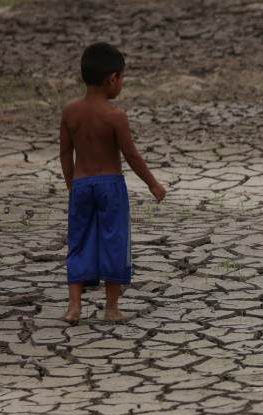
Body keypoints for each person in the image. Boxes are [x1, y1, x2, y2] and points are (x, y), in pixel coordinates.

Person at [59, 42, 165, 323]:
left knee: (78, 242)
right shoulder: (116, 116)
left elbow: (64, 154)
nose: (122, 84)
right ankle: (111, 309)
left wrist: (72, 186)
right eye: (123, 78)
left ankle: (73, 307)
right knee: (113, 242)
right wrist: (153, 183)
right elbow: (131, 155)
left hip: (81, 184)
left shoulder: (70, 112)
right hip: (110, 186)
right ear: (112, 79)